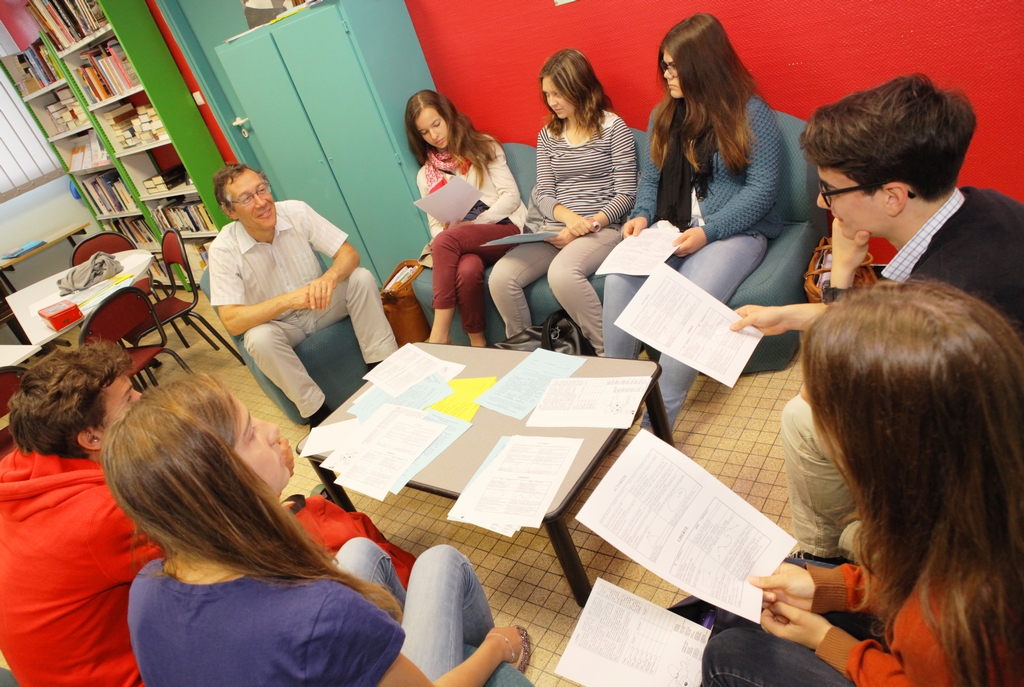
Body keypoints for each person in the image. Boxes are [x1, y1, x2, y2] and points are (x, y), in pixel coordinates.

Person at [730, 74, 1024, 562]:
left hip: (981, 499)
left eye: (829, 190)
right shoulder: (986, 206)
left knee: (802, 418)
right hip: (985, 421)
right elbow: (886, 323)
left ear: (892, 196)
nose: (821, 202)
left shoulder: (939, 302)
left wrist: (842, 272)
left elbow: (831, 388)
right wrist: (797, 315)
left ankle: (826, 560)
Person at [102, 374, 534, 687]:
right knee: (441, 561)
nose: (273, 429)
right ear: (223, 483)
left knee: (360, 550)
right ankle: (496, 657)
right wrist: (495, 647)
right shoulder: (321, 611)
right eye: (250, 433)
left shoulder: (148, 587)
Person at [702, 281, 1024, 687]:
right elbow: (909, 578)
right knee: (776, 581)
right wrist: (837, 587)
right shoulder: (973, 496)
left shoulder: (952, 621)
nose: (807, 405)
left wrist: (830, 642)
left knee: (728, 656)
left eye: (825, 409)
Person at [602, 13, 781, 428]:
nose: (666, 75)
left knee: (688, 302)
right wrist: (641, 215)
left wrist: (708, 232)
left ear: (703, 65)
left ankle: (657, 425)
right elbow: (651, 179)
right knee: (618, 278)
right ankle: (616, 400)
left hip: (734, 231)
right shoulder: (664, 116)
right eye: (664, 65)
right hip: (672, 226)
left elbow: (762, 190)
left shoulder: (751, 113)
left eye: (674, 66)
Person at [0, 343, 156, 687]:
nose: (142, 399)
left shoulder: (20, 466)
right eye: (129, 400)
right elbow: (214, 551)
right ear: (91, 437)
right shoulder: (101, 516)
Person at [208, 164, 398, 427]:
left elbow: (349, 254)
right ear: (230, 211)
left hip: (320, 307)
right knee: (258, 338)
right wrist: (287, 300)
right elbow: (231, 320)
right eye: (247, 198)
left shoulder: (296, 211)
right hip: (281, 327)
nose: (261, 202)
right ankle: (317, 412)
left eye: (261, 189)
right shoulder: (222, 249)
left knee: (361, 278)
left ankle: (383, 366)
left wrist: (329, 277)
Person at [489, 49, 637, 355]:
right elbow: (543, 193)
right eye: (547, 94)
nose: (552, 101)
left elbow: (626, 194)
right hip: (555, 230)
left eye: (558, 93)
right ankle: (524, 354)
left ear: (579, 87)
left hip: (601, 228)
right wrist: (568, 220)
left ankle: (609, 355)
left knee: (562, 275)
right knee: (501, 278)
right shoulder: (548, 134)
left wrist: (587, 224)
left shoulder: (613, 127)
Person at [406, 90, 528, 347]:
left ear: (448, 116)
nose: (434, 135)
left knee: (446, 242)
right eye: (425, 132)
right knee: (467, 268)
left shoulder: (484, 146)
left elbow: (511, 197)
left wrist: (477, 222)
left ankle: (439, 335)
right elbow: (434, 225)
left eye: (436, 124)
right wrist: (452, 230)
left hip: (505, 228)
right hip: (465, 242)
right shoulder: (425, 174)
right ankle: (478, 344)